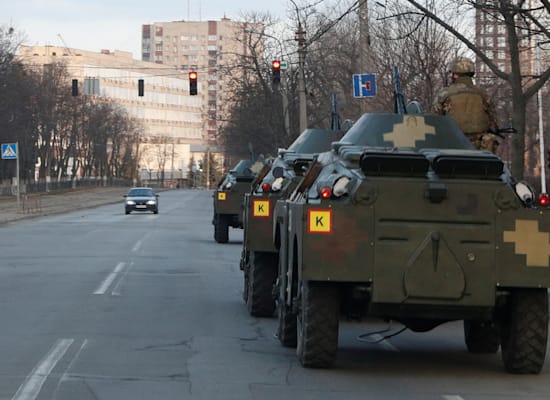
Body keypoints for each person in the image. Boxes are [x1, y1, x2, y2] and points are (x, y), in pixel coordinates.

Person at [433, 57, 499, 152]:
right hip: (480, 150)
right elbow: (494, 124)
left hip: (452, 147)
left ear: (455, 75)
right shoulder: (483, 95)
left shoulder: (443, 94)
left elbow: (435, 123)